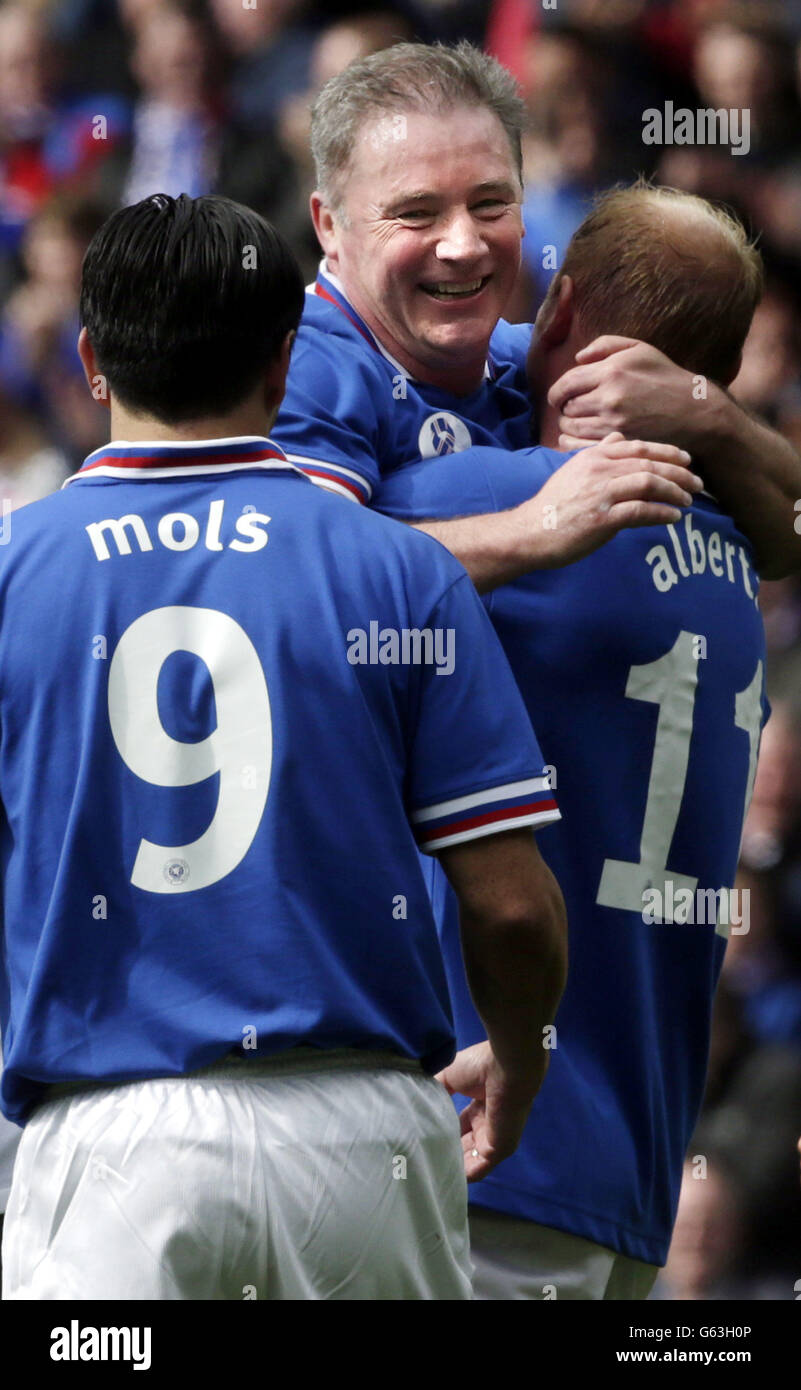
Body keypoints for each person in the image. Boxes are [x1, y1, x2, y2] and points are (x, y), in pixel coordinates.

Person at [0, 192, 567, 1301]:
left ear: (92, 362)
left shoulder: (13, 574)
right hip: (366, 1146)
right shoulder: (398, 569)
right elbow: (508, 904)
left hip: (110, 1149)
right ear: (283, 361)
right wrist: (525, 1054)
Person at [377, 184, 770, 1298]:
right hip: (631, 1179)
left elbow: (286, 551)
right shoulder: (741, 570)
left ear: (559, 320)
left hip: (485, 1154)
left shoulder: (484, 497)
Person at [273, 40, 801, 584]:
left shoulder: (538, 359)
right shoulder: (296, 369)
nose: (465, 244)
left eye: (489, 204)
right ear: (330, 226)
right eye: (416, 213)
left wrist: (710, 416)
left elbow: (788, 540)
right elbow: (304, 584)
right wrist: (538, 528)